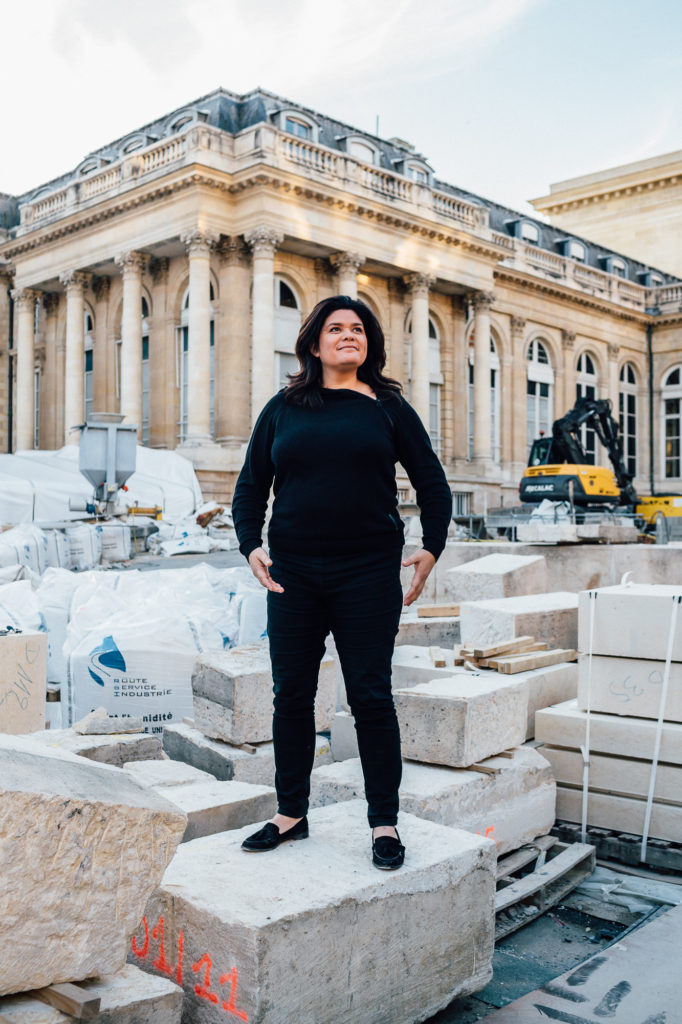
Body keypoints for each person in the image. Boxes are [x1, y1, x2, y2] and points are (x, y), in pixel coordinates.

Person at [232, 295, 452, 868]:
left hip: (368, 574)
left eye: (358, 328)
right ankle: (290, 813)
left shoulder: (388, 406)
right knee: (292, 697)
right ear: (314, 342)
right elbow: (251, 486)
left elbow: (432, 481)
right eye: (336, 328)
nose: (348, 335)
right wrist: (251, 545)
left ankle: (384, 823)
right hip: (294, 576)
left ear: (369, 344)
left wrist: (432, 547)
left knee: (371, 697)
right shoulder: (283, 408)